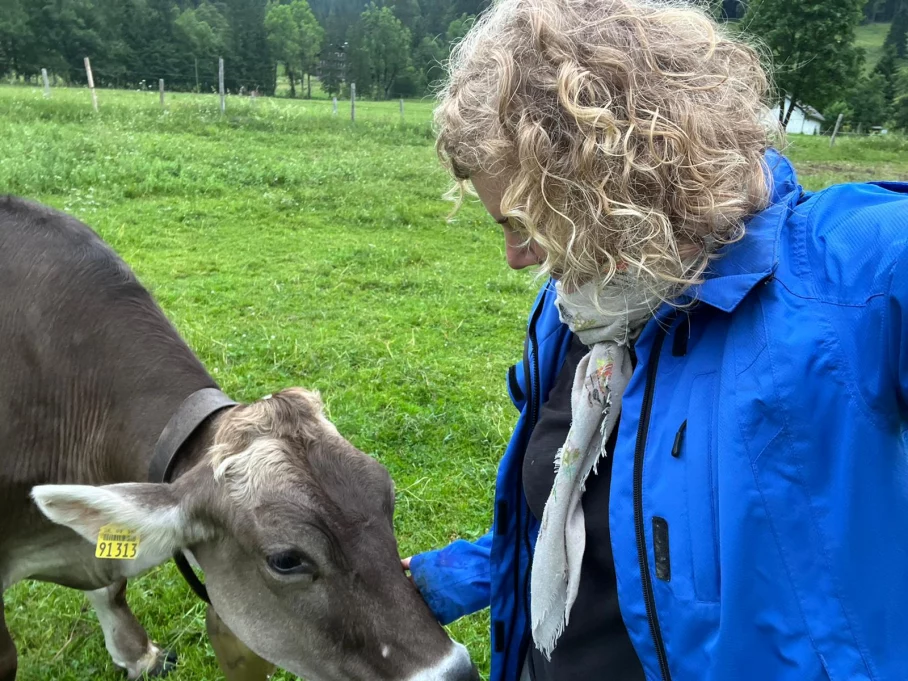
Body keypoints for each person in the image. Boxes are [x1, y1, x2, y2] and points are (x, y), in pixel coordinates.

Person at [404, 1, 908, 680]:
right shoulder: (575, 321)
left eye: (527, 221)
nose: (516, 257)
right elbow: (574, 518)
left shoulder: (846, 283)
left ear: (607, 187)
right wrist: (447, 577)